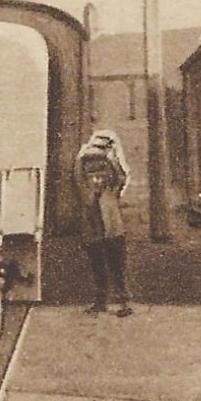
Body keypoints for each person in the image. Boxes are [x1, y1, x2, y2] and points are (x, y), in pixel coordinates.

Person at [76, 129, 134, 316]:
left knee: (112, 262)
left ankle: (119, 301)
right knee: (104, 262)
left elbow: (120, 178)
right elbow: (120, 178)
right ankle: (107, 301)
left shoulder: (89, 160)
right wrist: (107, 194)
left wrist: (106, 194)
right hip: (99, 221)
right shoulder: (91, 160)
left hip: (107, 222)